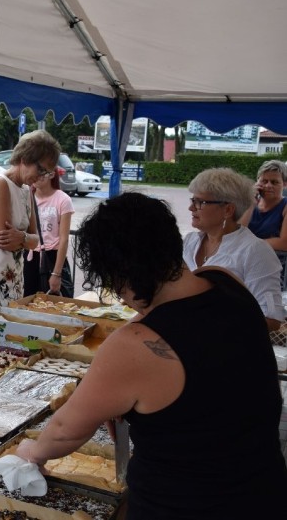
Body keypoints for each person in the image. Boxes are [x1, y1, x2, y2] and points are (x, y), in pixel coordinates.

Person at [16, 192, 287, 519]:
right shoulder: (224, 279)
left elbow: (64, 430)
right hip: (265, 493)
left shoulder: (136, 345)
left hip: (183, 505)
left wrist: (31, 451)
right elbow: (176, 316)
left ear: (122, 274)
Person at [0, 130, 60, 315]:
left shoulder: (27, 191)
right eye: (41, 169)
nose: (42, 177)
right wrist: (26, 239)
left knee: (9, 339)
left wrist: (22, 237)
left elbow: (36, 241)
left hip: (15, 278)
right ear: (25, 159)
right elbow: (6, 242)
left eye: (48, 173)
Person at [182, 168, 283, 332]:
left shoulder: (255, 251)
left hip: (230, 350)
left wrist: (211, 326)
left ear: (228, 210)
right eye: (192, 200)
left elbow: (271, 319)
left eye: (200, 202)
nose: (191, 208)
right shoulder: (190, 242)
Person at [23, 167, 75, 297]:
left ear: (51, 174)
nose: (35, 177)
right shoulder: (27, 197)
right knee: (27, 303)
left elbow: (64, 239)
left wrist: (57, 273)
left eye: (40, 173)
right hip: (29, 256)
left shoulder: (63, 199)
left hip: (53, 257)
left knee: (55, 304)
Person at [240, 159, 287, 290]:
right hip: (245, 264)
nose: (268, 186)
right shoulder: (250, 204)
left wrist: (248, 243)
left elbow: (284, 243)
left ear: (284, 184)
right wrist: (250, 202)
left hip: (274, 268)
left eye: (274, 182)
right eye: (264, 181)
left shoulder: (285, 207)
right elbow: (236, 232)